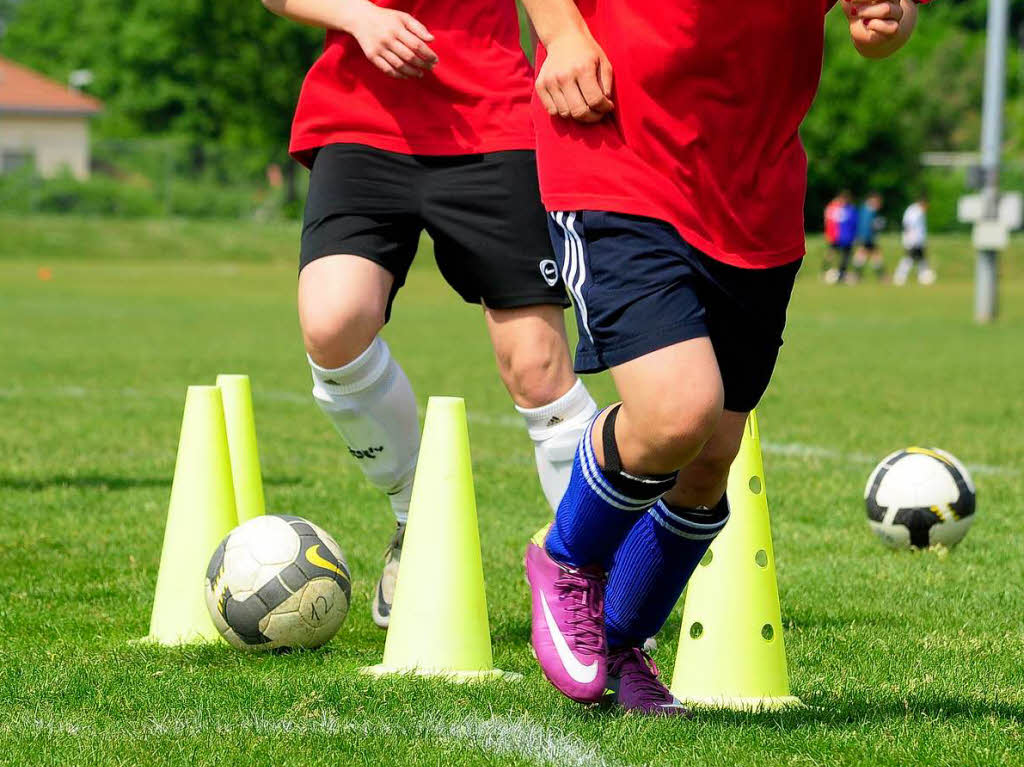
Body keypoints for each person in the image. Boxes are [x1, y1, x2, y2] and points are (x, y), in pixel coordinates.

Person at [518, 0, 927, 714]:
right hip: (620, 149)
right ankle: (567, 558)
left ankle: (622, 642)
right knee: (679, 409)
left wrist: (893, 15)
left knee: (713, 453)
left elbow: (881, 25)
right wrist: (561, 31)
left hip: (754, 190)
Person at [262, 0, 597, 628]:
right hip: (362, 120)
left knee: (538, 367)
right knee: (333, 322)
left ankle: (596, 571)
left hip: (492, 122)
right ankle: (415, 516)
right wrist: (358, 17)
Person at [895, 194, 935, 285]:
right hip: (912, 241)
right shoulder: (914, 212)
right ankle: (900, 277)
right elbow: (909, 226)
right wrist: (913, 241)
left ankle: (923, 277)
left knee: (922, 259)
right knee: (910, 259)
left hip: (918, 241)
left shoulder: (919, 211)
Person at [853, 192, 886, 281]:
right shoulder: (869, 210)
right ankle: (881, 276)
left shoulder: (865, 209)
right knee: (874, 255)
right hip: (866, 238)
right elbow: (866, 226)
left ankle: (857, 275)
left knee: (864, 256)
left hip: (865, 237)